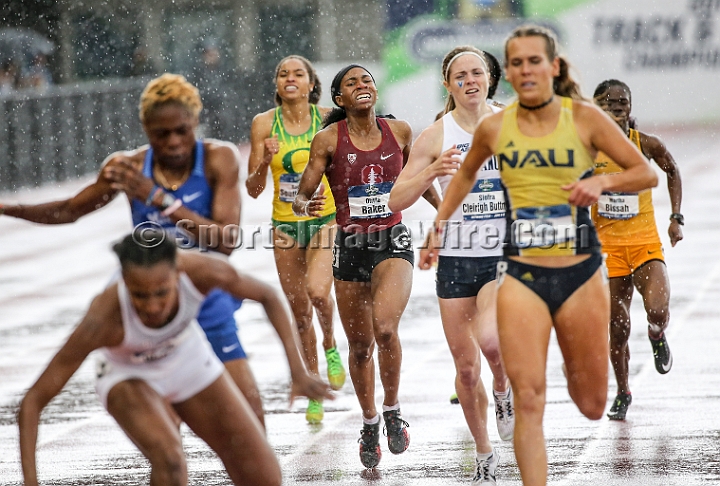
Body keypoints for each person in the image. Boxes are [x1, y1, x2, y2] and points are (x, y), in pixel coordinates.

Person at [424, 25, 658, 486]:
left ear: (553, 67)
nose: (525, 69)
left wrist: (600, 182)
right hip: (522, 270)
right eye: (516, 62)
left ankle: (578, 371)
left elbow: (644, 172)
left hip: (580, 270)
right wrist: (437, 230)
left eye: (535, 61)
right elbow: (464, 178)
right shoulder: (496, 125)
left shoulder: (585, 118)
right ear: (507, 72)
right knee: (529, 399)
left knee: (591, 403)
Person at [1, 73, 281, 428]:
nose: (174, 142)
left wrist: (159, 198)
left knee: (250, 414)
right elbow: (69, 210)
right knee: (167, 427)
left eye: (182, 130)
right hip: (151, 295)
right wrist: (8, 209)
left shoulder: (218, 158)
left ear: (195, 121)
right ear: (146, 129)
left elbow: (224, 240)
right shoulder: (129, 167)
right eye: (161, 134)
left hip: (202, 289)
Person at [18, 231, 333, 486]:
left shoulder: (202, 271)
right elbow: (33, 401)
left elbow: (267, 295)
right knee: (170, 460)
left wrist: (298, 372)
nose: (153, 307)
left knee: (264, 476)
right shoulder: (103, 318)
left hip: (185, 355)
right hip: (127, 373)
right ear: (125, 282)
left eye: (162, 293)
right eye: (140, 295)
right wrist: (30, 481)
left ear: (178, 274)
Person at [292, 65, 434, 469]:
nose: (362, 86)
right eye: (352, 83)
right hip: (350, 246)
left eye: (367, 80)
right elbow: (301, 198)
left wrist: (444, 216)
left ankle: (392, 410)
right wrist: (309, 205)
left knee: (386, 329)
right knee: (359, 347)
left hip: (393, 240)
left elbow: (419, 179)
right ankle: (369, 421)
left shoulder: (400, 132)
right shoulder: (327, 140)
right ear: (339, 99)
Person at [389, 46, 513, 485]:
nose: (469, 80)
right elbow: (395, 199)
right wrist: (430, 172)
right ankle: (483, 453)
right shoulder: (435, 136)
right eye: (459, 75)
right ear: (448, 85)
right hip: (456, 260)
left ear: (488, 78)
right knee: (464, 369)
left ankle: (503, 388)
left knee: (493, 341)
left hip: (502, 254)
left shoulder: (511, 123)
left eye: (476, 72)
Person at [246, 55, 346, 424]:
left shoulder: (327, 119)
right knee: (300, 313)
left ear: (310, 84)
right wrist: (263, 161)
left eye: (298, 74)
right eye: (282, 73)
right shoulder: (263, 124)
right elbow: (253, 188)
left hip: (323, 220)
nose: (290, 78)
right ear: (277, 85)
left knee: (319, 292)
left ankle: (331, 344)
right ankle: (313, 384)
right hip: (285, 225)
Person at [591, 79, 683, 421]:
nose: (617, 107)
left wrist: (676, 218)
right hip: (607, 251)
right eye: (609, 102)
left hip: (645, 244)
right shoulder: (587, 149)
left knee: (657, 310)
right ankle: (623, 391)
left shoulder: (644, 144)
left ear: (631, 106)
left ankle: (657, 334)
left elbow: (672, 169)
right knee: (617, 328)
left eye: (623, 102)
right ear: (596, 108)